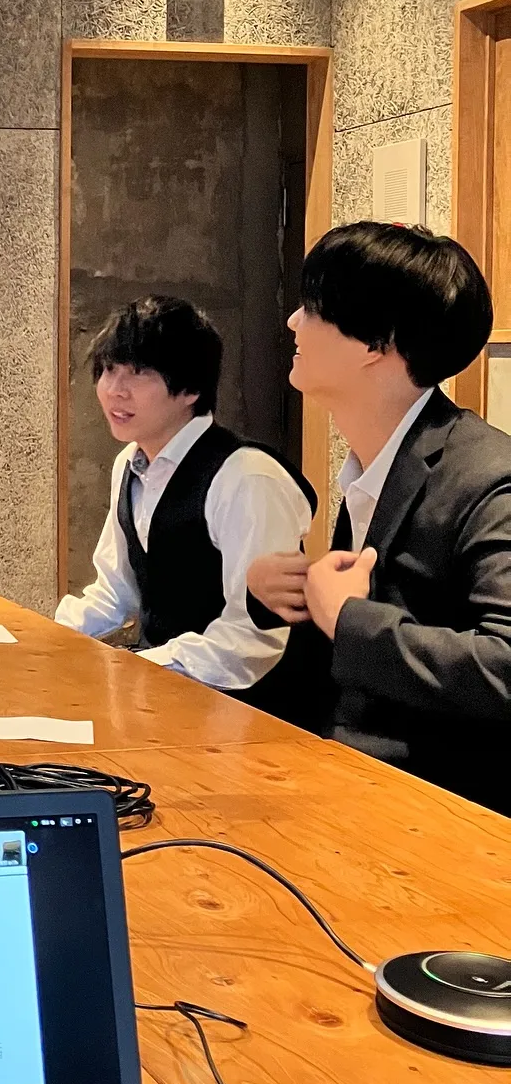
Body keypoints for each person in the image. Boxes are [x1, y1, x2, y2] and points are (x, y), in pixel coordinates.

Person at [246, 222, 511, 813]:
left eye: (314, 308)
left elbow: (505, 669)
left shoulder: (489, 478)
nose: (293, 321)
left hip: (442, 818)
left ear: (375, 344)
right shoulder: (381, 459)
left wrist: (348, 618)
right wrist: (286, 597)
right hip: (346, 784)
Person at [56, 296, 317, 718]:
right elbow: (115, 592)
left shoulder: (245, 476)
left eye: (139, 373)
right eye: (108, 370)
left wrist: (140, 667)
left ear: (191, 389)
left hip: (254, 715)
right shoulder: (129, 464)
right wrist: (46, 638)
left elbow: (253, 639)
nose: (115, 390)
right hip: (165, 699)